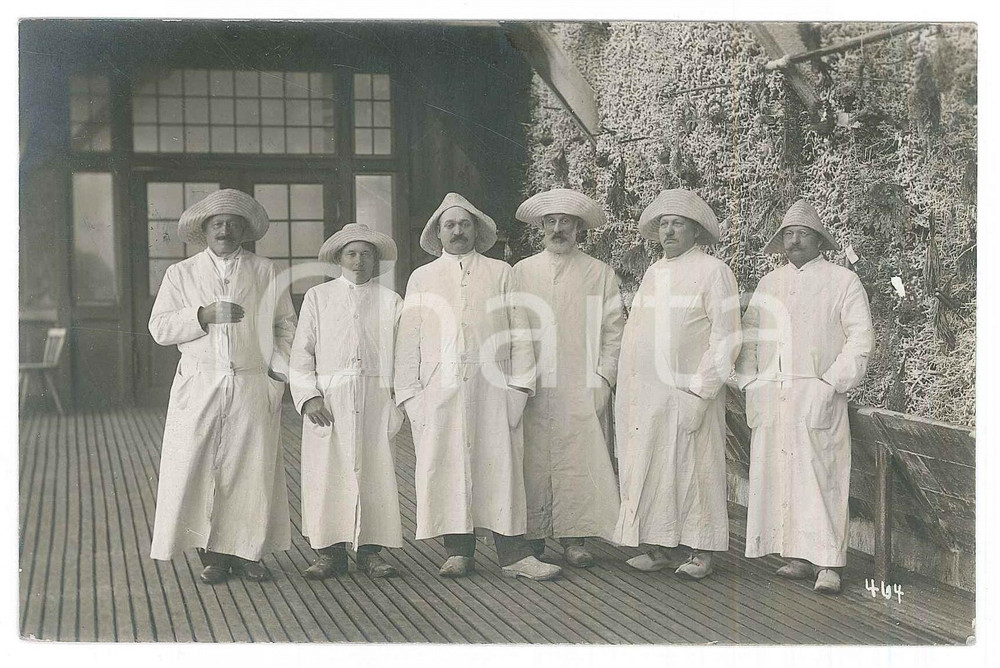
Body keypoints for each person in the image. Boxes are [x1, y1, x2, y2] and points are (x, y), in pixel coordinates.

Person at [394, 192, 561, 581]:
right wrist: (412, 396)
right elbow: (409, 338)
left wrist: (519, 389)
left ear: (477, 230)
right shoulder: (423, 277)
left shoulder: (501, 272)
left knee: (500, 467)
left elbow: (520, 332)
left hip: (494, 386)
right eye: (450, 225)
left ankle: (514, 555)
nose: (457, 231)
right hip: (440, 388)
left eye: (465, 224)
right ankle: (458, 550)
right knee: (447, 465)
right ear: (438, 233)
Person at [148, 189, 296, 585]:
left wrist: (278, 372)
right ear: (204, 230)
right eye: (217, 224)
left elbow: (285, 325)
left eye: (233, 224)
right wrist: (202, 314)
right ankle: (212, 555)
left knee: (250, 468)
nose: (225, 230)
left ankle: (250, 554)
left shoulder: (264, 271)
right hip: (200, 384)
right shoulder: (181, 274)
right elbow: (159, 328)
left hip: (250, 382)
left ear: (244, 231)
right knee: (199, 468)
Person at [737, 199, 874, 594]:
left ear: (818, 240)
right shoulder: (770, 283)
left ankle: (829, 563)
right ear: (780, 242)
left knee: (821, 474)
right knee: (782, 475)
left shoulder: (842, 281)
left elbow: (860, 339)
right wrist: (750, 382)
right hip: (773, 393)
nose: (794, 240)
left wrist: (831, 383)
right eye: (788, 234)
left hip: (817, 391)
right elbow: (749, 336)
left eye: (803, 233)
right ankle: (795, 554)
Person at [614, 189, 741, 581]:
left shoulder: (713, 271)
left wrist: (702, 389)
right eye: (664, 224)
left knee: (695, 470)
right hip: (650, 394)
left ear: (696, 231)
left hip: (689, 393)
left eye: (678, 224)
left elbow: (726, 337)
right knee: (656, 468)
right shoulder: (654, 272)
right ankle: (661, 547)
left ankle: (702, 552)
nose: (669, 231)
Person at [512, 189, 623, 568]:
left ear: (578, 229)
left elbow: (613, 330)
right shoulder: (522, 272)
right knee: (533, 457)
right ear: (542, 227)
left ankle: (576, 539)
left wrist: (603, 378)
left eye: (566, 223)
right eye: (551, 222)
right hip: (533, 380)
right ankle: (535, 537)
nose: (558, 229)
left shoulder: (599, 273)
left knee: (579, 458)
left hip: (581, 379)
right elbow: (510, 328)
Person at [289, 223, 404, 580]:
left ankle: (370, 551)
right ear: (339, 258)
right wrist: (309, 397)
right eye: (351, 254)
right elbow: (301, 353)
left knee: (375, 473)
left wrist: (397, 399)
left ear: (375, 260)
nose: (358, 261)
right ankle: (329, 553)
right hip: (330, 400)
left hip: (375, 396)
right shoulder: (318, 298)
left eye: (366, 254)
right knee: (327, 473)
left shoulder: (391, 301)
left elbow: (403, 354)